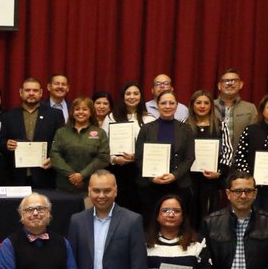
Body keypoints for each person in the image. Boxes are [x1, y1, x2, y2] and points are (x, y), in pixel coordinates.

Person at [134, 90, 196, 220]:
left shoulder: (186, 129)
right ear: (157, 105)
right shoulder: (146, 128)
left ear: (176, 105)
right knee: (151, 221)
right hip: (150, 185)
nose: (167, 106)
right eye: (163, 103)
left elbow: (190, 157)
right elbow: (139, 157)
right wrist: (151, 177)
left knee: (177, 221)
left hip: (178, 184)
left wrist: (174, 175)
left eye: (171, 103)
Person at [0, 78, 60, 188]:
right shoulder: (8, 116)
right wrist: (6, 144)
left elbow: (61, 143)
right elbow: (0, 142)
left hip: (45, 175)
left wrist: (54, 160)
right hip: (16, 175)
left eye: (35, 91)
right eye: (27, 90)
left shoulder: (55, 115)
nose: (31, 93)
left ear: (41, 93)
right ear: (21, 93)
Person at [50, 97, 110, 194]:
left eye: (85, 109)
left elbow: (103, 158)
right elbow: (55, 156)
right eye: (77, 109)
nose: (80, 112)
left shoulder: (100, 133)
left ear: (91, 112)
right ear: (72, 112)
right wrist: (73, 176)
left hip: (90, 186)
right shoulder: (61, 132)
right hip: (64, 186)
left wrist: (82, 175)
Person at [107, 82, 150, 214]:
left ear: (141, 97)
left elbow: (152, 148)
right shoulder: (111, 117)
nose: (132, 97)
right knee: (119, 207)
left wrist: (137, 156)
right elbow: (103, 145)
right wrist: (114, 159)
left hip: (141, 171)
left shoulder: (148, 119)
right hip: (118, 170)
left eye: (136, 93)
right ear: (122, 96)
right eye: (128, 93)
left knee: (139, 207)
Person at [186, 90, 226, 223]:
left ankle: (207, 241)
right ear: (192, 105)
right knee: (190, 211)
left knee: (209, 212)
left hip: (211, 178)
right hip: (189, 178)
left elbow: (228, 151)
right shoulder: (184, 125)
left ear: (211, 106)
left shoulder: (220, 125)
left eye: (206, 103)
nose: (202, 106)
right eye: (198, 102)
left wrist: (219, 172)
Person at [214, 68, 257, 154]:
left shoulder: (250, 109)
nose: (230, 84)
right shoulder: (209, 106)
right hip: (213, 158)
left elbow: (254, 137)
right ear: (219, 85)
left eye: (234, 81)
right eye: (226, 81)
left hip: (239, 159)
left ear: (241, 84)